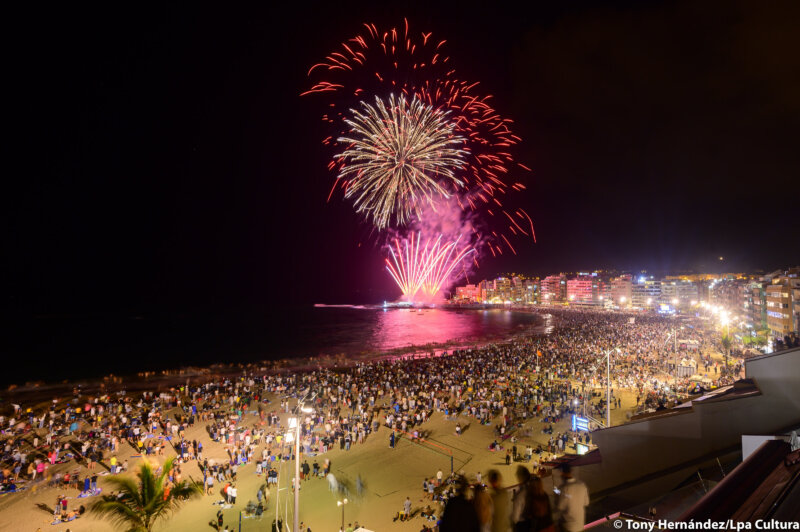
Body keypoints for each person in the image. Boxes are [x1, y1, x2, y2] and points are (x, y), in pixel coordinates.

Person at [556, 464, 589, 532]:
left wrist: (557, 493)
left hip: (568, 527)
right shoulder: (582, 485)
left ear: (562, 473)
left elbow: (560, 507)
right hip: (580, 525)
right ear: (571, 471)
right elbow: (586, 502)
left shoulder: (563, 488)